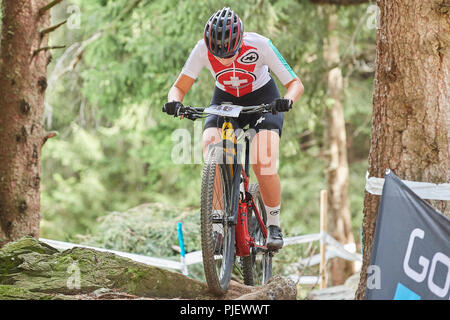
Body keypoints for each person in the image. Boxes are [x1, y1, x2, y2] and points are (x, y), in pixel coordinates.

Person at [163, 7, 304, 250]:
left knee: (263, 160)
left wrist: (287, 100)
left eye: (230, 53)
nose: (224, 60)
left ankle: (273, 224)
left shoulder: (260, 45)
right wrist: (175, 103)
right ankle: (217, 225)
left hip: (263, 101)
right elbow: (178, 88)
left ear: (240, 41)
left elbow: (295, 83)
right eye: (219, 56)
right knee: (210, 144)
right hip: (225, 100)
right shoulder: (202, 50)